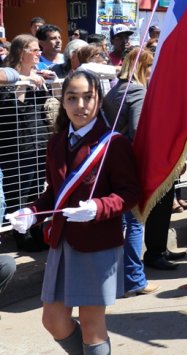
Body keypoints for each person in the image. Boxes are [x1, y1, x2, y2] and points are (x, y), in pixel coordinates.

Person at [5, 70, 139, 355]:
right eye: (72, 98)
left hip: (97, 243)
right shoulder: (55, 142)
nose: (81, 105)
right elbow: (53, 194)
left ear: (100, 101)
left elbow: (129, 194)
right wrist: (31, 212)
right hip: (62, 242)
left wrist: (98, 207)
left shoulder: (113, 143)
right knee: (53, 320)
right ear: (62, 102)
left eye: (88, 97)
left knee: (92, 325)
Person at [102, 49, 160, 298]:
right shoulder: (137, 90)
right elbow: (138, 130)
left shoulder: (115, 89)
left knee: (124, 222)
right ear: (144, 68)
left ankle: (123, 278)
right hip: (129, 162)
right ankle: (134, 280)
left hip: (113, 161)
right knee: (135, 222)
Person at [0, 35, 52, 252]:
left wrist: (44, 80)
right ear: (22, 52)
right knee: (18, 190)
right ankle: (21, 234)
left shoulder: (37, 75)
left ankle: (36, 229)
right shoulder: (8, 79)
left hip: (38, 141)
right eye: (34, 49)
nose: (39, 53)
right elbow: (9, 107)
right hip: (15, 145)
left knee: (36, 189)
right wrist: (25, 81)